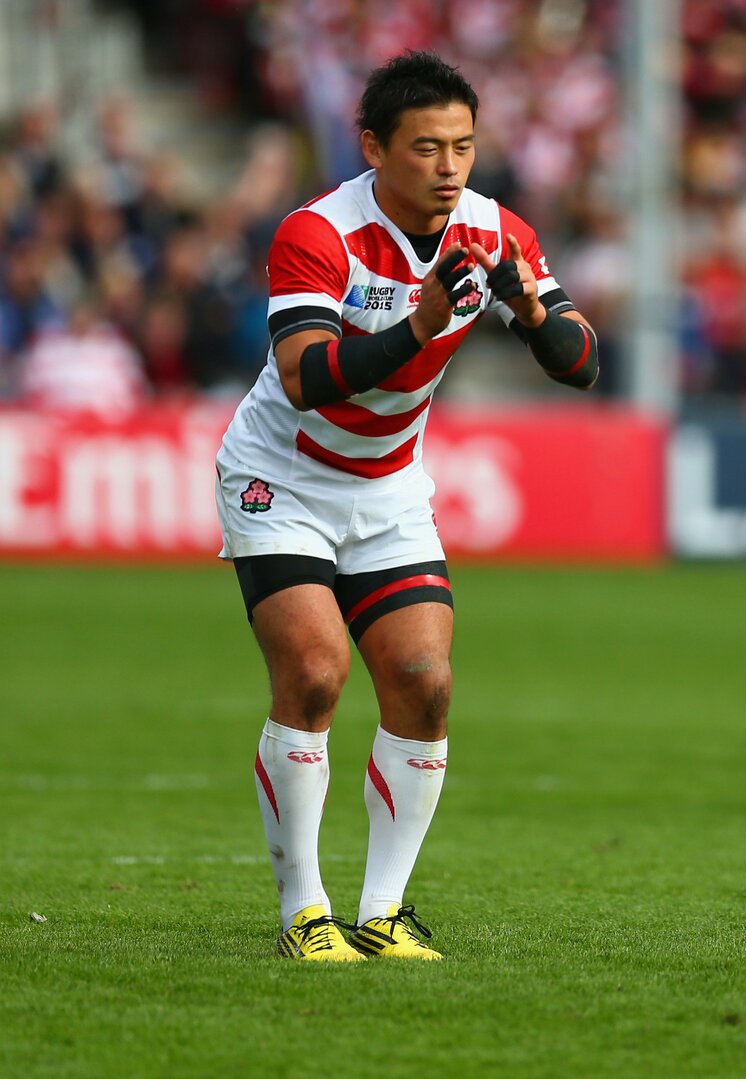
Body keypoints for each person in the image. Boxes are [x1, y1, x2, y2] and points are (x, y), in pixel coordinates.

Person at [215, 51, 598, 962]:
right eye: (427, 148)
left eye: (463, 146)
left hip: (388, 485)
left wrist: (532, 313)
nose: (449, 167)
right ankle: (304, 913)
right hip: (283, 476)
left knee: (425, 682)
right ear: (373, 148)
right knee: (315, 673)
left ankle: (383, 912)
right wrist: (418, 325)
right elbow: (306, 376)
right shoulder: (317, 233)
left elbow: (583, 363)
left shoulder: (496, 229)